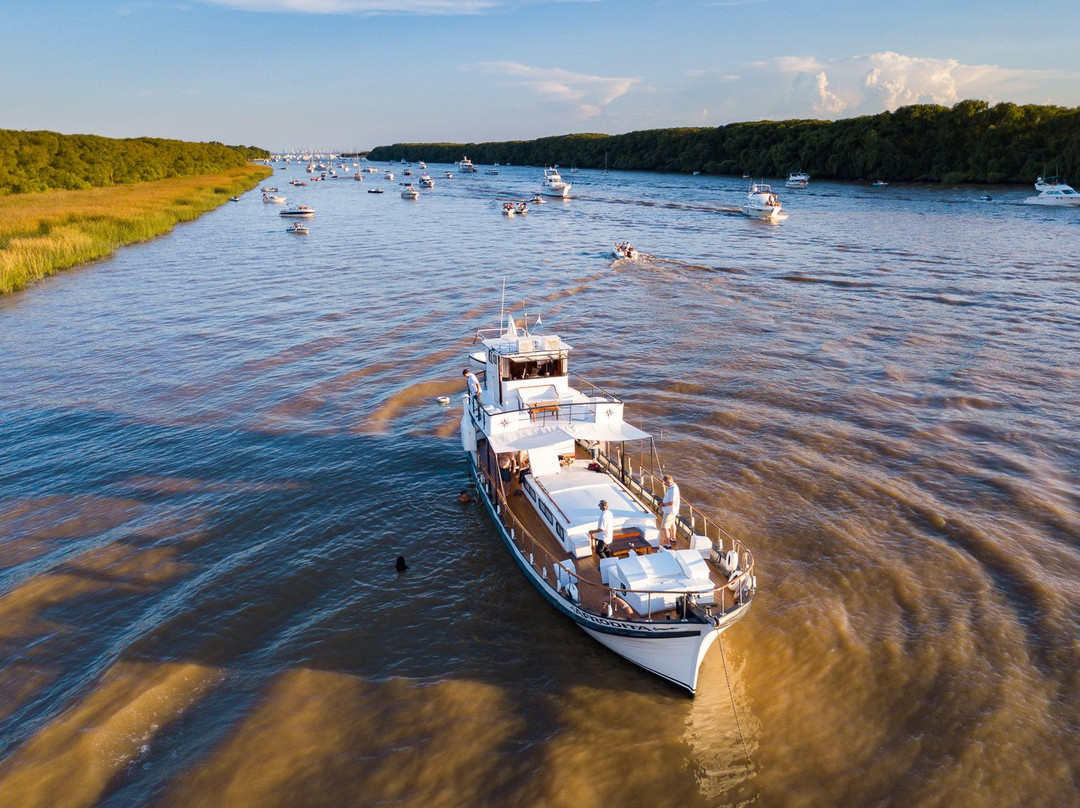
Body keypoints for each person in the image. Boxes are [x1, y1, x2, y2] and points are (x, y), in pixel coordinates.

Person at [660, 474, 680, 548]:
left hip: (670, 511)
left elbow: (671, 503)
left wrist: (663, 505)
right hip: (672, 510)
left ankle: (668, 544)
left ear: (668, 483)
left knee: (664, 527)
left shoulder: (673, 490)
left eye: (664, 483)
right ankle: (673, 539)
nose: (664, 484)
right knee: (672, 524)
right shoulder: (672, 487)